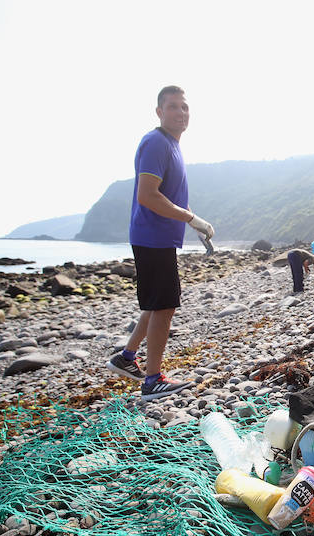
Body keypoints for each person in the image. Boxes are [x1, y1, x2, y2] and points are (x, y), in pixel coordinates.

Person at [106, 85, 214, 400]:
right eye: (173, 107)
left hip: (159, 237)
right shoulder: (156, 142)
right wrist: (189, 219)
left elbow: (172, 196)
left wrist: (195, 222)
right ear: (159, 112)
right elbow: (147, 195)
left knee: (156, 305)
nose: (180, 113)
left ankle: (126, 358)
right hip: (152, 236)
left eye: (185, 107)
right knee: (164, 306)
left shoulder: (172, 146)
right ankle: (152, 379)